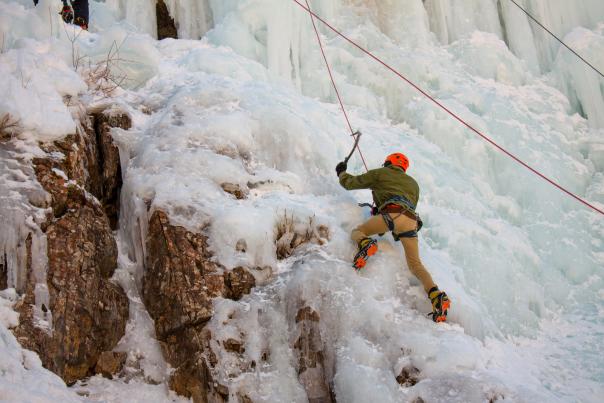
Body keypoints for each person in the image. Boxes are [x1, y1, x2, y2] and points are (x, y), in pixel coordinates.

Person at [336, 152, 451, 322]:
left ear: (389, 162)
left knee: (357, 232)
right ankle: (436, 295)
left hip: (392, 215)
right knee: (416, 265)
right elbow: (404, 201)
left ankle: (366, 243)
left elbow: (351, 183)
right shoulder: (414, 184)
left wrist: (342, 173)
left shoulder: (381, 173)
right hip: (410, 222)